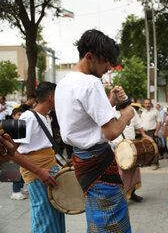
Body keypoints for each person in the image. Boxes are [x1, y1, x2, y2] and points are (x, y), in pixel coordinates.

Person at [55, 29, 134, 233]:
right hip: (98, 161)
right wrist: (126, 114)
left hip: (82, 160)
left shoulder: (63, 84)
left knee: (98, 217)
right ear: (89, 56)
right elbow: (111, 133)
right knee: (112, 221)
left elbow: (83, 121)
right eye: (106, 60)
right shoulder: (90, 83)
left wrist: (109, 103)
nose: (109, 66)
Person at [13, 82, 65, 233]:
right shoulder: (26, 117)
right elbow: (12, 153)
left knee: (56, 212)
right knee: (44, 216)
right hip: (37, 174)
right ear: (51, 97)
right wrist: (39, 171)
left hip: (49, 168)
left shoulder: (47, 118)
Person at [111, 107, 150, 202]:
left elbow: (138, 123)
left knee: (134, 170)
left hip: (132, 144)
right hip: (119, 145)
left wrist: (143, 134)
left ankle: (132, 193)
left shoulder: (131, 109)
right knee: (122, 172)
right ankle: (121, 196)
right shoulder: (110, 110)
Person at [9, 107, 28, 200]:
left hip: (22, 153)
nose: (21, 117)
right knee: (16, 173)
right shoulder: (11, 126)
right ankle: (15, 191)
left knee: (22, 172)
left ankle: (20, 188)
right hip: (15, 154)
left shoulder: (22, 126)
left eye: (22, 115)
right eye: (19, 115)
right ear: (13, 116)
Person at [141, 98, 162, 170]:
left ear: (151, 104)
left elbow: (159, 122)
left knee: (154, 148)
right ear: (144, 104)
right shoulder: (143, 111)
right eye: (146, 104)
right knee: (146, 148)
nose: (147, 105)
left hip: (152, 132)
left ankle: (156, 163)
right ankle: (148, 162)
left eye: (148, 103)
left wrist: (156, 132)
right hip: (144, 132)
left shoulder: (155, 111)